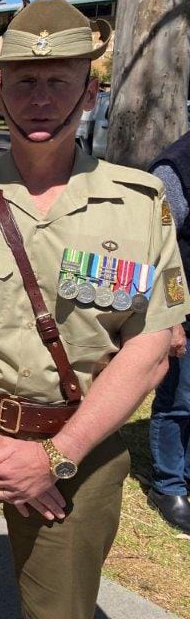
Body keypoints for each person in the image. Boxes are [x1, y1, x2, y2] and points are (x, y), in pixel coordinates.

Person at [0, 0, 187, 619]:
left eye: (59, 81)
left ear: (90, 91)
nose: (41, 98)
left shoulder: (139, 202)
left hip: (82, 448)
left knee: (62, 610)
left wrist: (56, 455)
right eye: (25, 82)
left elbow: (152, 345)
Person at [147, 138, 190, 533]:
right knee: (179, 402)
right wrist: (171, 319)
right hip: (186, 310)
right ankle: (168, 484)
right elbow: (156, 250)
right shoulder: (176, 167)